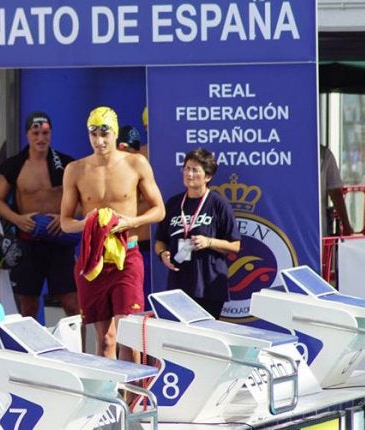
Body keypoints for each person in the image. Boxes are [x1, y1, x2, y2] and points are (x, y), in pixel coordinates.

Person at [60, 107, 165, 361]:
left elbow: (159, 210)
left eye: (104, 134)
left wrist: (132, 220)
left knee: (128, 337)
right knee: (105, 339)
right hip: (93, 261)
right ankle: (107, 400)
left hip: (127, 257)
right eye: (93, 134)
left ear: (115, 133)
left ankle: (133, 400)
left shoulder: (135, 163)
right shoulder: (75, 170)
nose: (99, 141)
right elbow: (65, 223)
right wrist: (87, 223)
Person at [0, 111, 80, 320]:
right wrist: (18, 219)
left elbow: (82, 201)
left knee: (72, 302)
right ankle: (30, 351)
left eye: (46, 133)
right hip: (29, 242)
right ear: (27, 135)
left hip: (59, 241)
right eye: (36, 133)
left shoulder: (66, 164)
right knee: (29, 305)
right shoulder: (14, 165)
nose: (41, 138)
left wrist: (65, 217)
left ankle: (80, 350)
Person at [154, 148, 241, 319]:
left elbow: (235, 246)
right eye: (186, 168)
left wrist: (209, 242)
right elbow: (160, 240)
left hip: (209, 285)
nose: (189, 174)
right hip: (179, 285)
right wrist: (163, 253)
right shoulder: (173, 203)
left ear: (207, 176)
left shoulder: (218, 204)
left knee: (206, 338)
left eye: (195, 170)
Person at [117, 125, 153, 302]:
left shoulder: (144, 173)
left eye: (133, 152)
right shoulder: (102, 174)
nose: (128, 156)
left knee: (141, 306)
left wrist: (133, 221)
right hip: (112, 249)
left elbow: (158, 209)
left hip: (141, 248)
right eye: (124, 150)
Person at [320, 145, 353, 236]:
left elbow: (336, 193)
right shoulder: (323, 154)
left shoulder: (284, 154)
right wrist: (346, 226)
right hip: (317, 229)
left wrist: (346, 225)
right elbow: (335, 193)